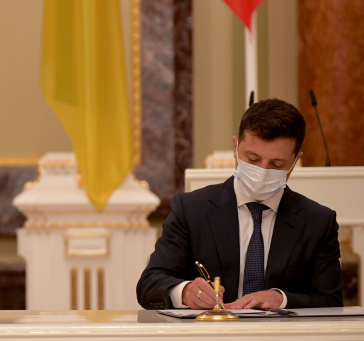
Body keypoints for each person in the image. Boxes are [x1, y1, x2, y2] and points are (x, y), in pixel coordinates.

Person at [137, 98, 343, 310]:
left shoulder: (318, 221)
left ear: (295, 161)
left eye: (276, 164)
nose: (262, 172)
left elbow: (331, 301)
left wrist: (282, 299)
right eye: (253, 159)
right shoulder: (191, 209)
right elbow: (149, 285)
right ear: (235, 147)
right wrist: (184, 291)